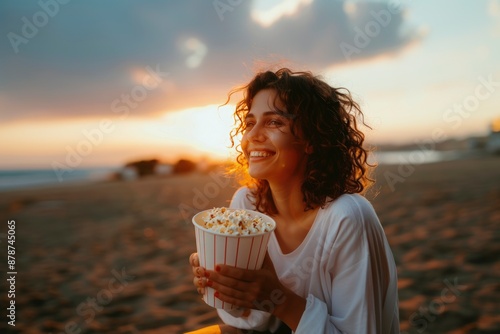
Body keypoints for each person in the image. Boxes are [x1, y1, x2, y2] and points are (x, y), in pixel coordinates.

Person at [187, 68, 400, 334]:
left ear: (311, 139)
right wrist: (227, 288)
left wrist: (280, 300)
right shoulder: (247, 206)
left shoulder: (347, 217)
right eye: (250, 122)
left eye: (274, 122)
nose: (252, 136)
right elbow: (246, 323)